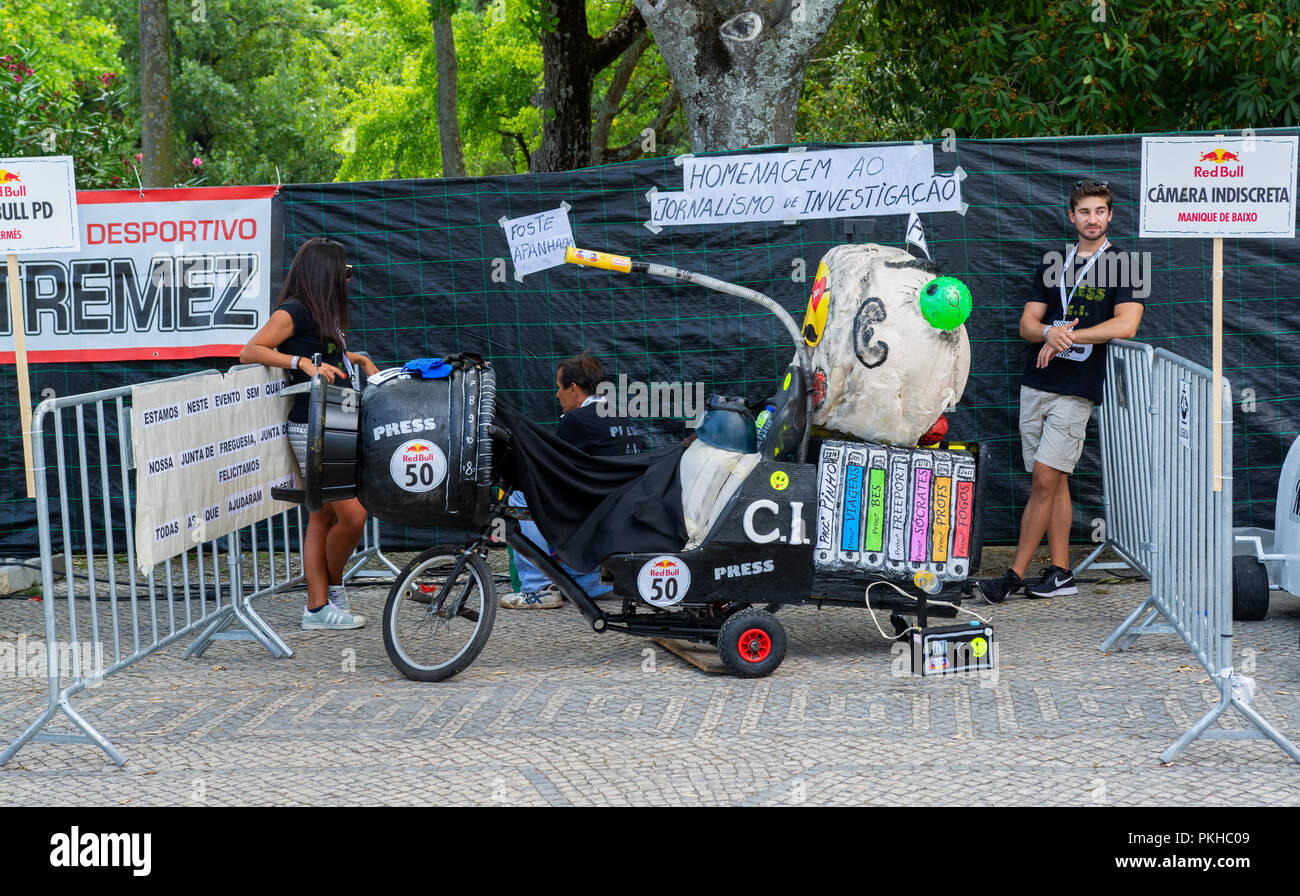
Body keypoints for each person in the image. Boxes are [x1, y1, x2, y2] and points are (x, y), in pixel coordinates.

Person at [977, 180, 1144, 603]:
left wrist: (1068, 337)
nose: (1092, 219)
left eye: (1100, 212)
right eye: (1084, 212)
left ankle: (1013, 576)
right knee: (1056, 481)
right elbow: (1027, 324)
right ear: (1071, 217)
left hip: (1077, 386)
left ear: (1111, 216)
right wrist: (1049, 332)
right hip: (1037, 382)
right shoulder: (1054, 261)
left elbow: (1127, 325)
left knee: (1044, 479)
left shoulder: (1127, 264)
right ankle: (1061, 573)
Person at [239, 238, 380, 629]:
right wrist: (298, 362)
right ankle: (329, 590)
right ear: (325, 273)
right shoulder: (295, 310)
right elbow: (250, 351)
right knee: (352, 515)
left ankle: (318, 606)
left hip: (337, 418)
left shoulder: (322, 312)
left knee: (322, 515)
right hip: (314, 426)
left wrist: (356, 358)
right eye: (345, 272)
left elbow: (327, 357)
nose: (348, 279)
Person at [502, 351, 649, 609]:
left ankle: (538, 587)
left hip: (594, 511)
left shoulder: (576, 420)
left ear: (573, 388)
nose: (557, 395)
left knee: (521, 496)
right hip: (622, 508)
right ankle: (596, 582)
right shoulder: (619, 415)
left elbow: (553, 471)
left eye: (559, 388)